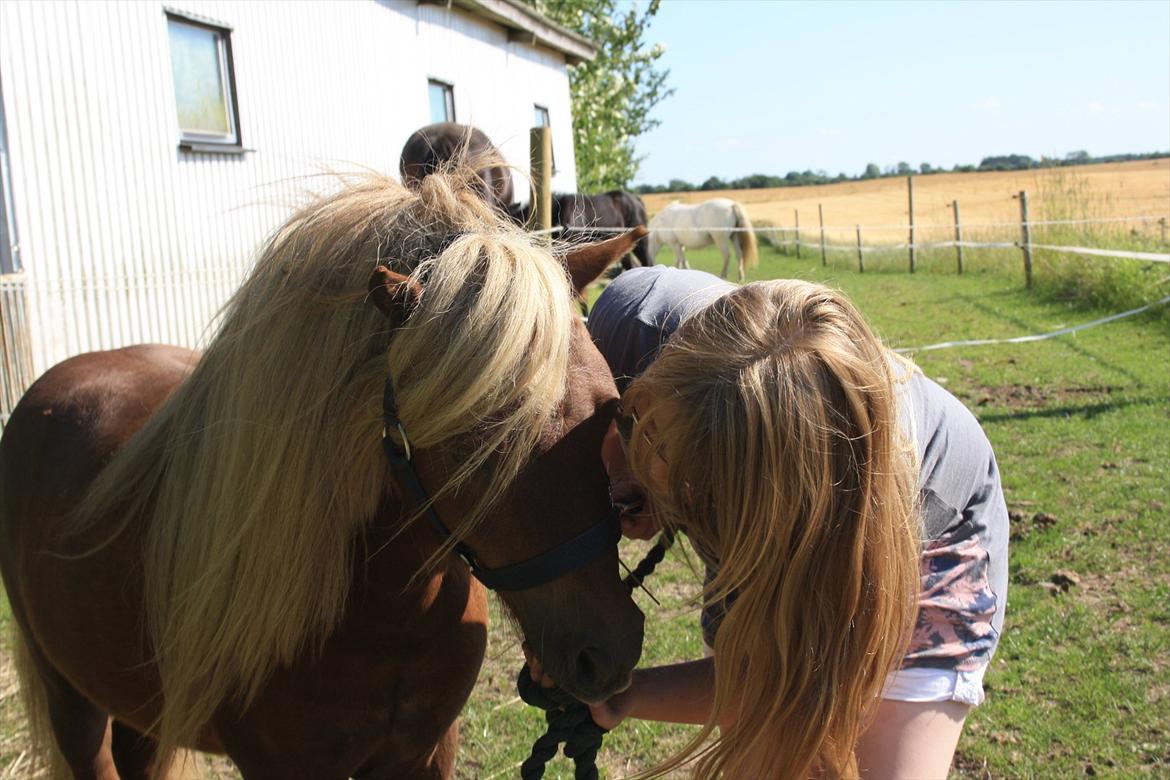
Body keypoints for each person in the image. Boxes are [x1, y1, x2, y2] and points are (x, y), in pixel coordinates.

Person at [575, 266, 1008, 779]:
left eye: (688, 482)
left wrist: (626, 695)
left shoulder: (812, 517)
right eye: (635, 422)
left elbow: (771, 684)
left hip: (931, 537)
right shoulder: (638, 319)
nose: (641, 462)